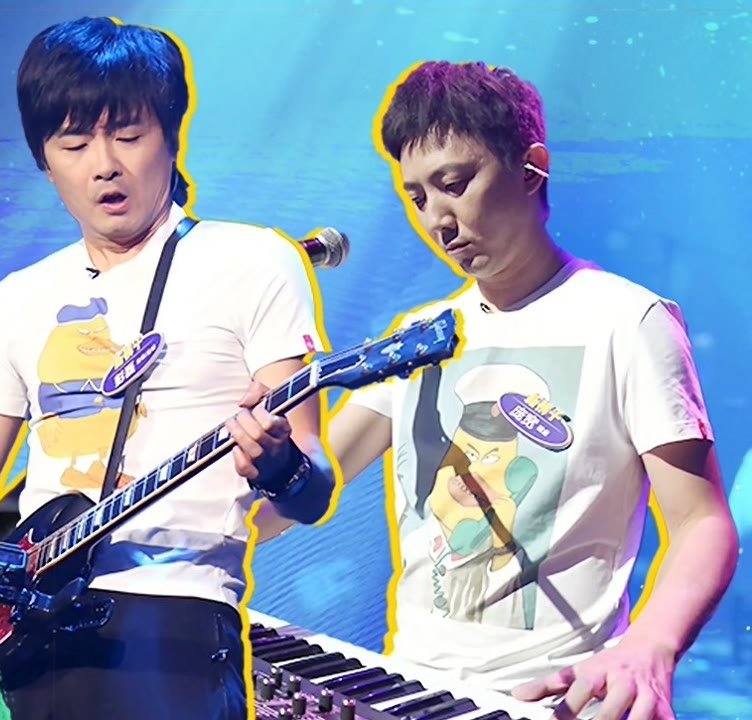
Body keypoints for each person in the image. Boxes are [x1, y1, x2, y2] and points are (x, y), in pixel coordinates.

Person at [279, 60, 738, 719]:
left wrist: (651, 646)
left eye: (454, 184)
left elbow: (702, 523)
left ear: (531, 169)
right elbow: (299, 493)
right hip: (414, 692)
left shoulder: (628, 320)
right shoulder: (416, 337)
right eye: (417, 197)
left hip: (554, 699)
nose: (438, 219)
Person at [0, 17, 336, 720]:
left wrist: (279, 465)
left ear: (172, 137)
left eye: (127, 135)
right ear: (44, 160)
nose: (104, 165)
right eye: (73, 143)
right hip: (28, 636)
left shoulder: (253, 261)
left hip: (173, 623)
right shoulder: (17, 298)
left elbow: (311, 488)